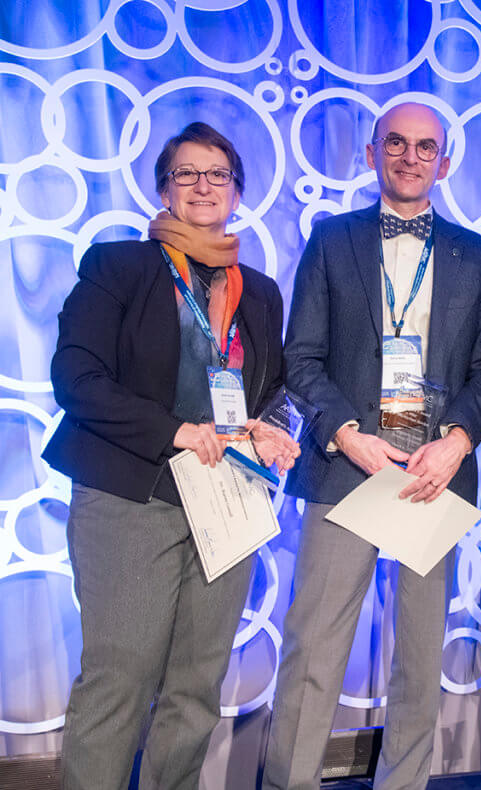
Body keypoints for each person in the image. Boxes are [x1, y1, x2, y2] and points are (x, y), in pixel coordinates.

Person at [45, 121, 300, 789]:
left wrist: (271, 428)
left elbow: (269, 389)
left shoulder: (261, 291)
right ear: (162, 188)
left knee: (197, 684)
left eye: (217, 174)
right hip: (134, 496)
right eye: (186, 174)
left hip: (228, 500)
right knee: (120, 677)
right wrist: (175, 431)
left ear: (238, 192)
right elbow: (76, 378)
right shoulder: (120, 267)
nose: (202, 186)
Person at [262, 102, 481, 790]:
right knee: (314, 651)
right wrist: (346, 434)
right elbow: (301, 358)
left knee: (421, 660)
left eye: (426, 147)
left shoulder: (478, 255)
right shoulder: (331, 239)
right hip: (347, 467)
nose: (410, 156)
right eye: (395, 142)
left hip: (433, 473)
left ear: (445, 163)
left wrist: (456, 443)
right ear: (371, 153)